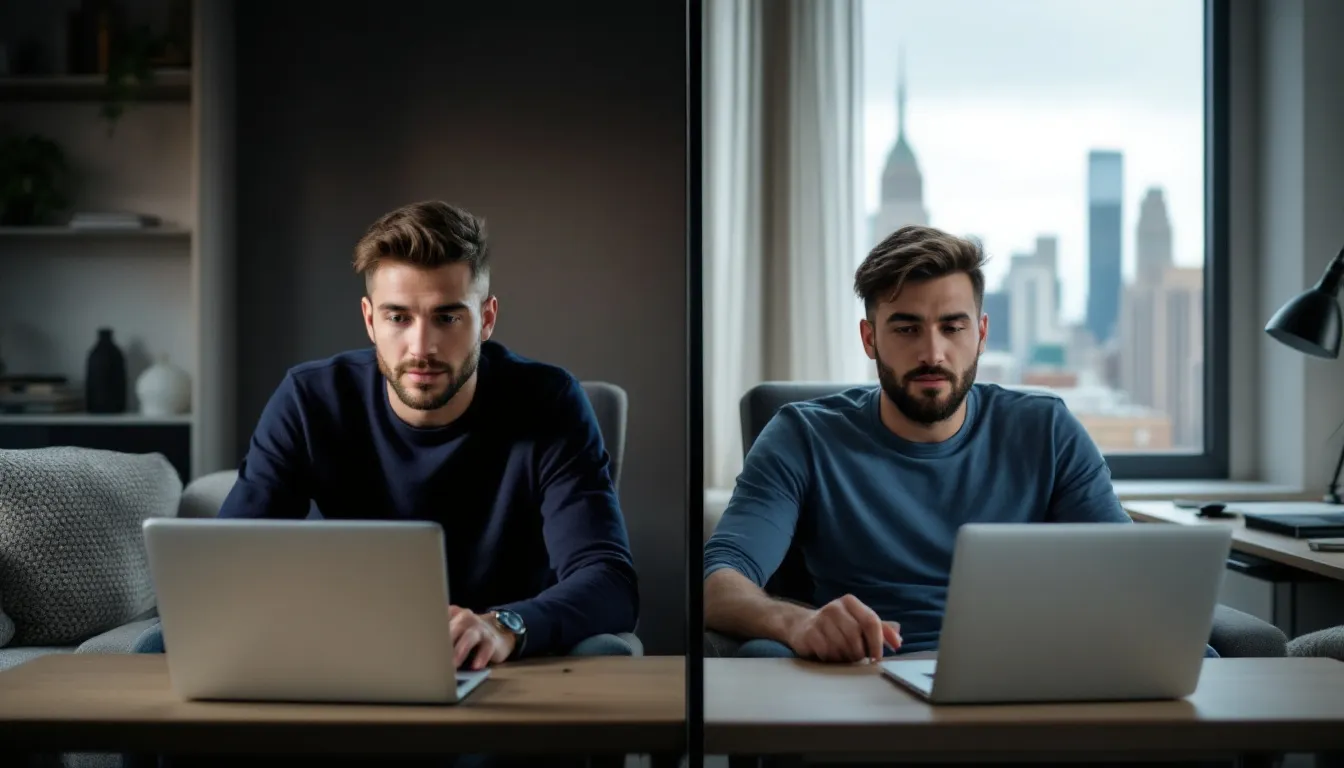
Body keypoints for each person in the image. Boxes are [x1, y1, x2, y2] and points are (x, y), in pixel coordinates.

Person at [130, 201, 640, 766]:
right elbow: (225, 568)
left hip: (489, 668)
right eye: (399, 317)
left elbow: (610, 580)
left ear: (487, 318)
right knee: (158, 647)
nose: (421, 347)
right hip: (331, 655)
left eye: (448, 317)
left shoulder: (549, 402)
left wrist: (505, 626)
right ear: (370, 319)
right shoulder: (310, 399)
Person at [703, 224, 1218, 663]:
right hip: (870, 674)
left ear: (982, 333)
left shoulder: (1048, 431)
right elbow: (718, 581)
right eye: (906, 329)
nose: (934, 352)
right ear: (869, 338)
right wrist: (796, 623)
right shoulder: (803, 435)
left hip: (1033, 675)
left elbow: (1126, 578)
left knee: (1205, 662)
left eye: (953, 327)